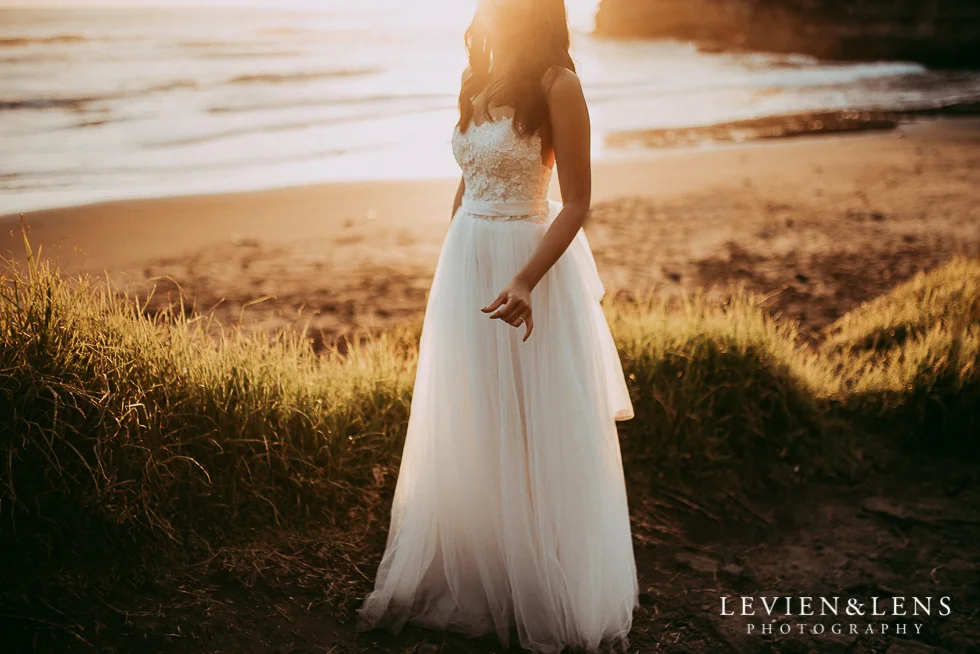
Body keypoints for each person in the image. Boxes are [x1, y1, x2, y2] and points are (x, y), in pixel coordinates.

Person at [356, 0, 639, 651]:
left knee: (534, 422)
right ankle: (482, 567)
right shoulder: (475, 80)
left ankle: (543, 578)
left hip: (526, 262)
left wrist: (524, 280)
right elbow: (467, 179)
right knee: (474, 413)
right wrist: (455, 243)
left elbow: (577, 202)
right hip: (466, 259)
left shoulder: (558, 86)